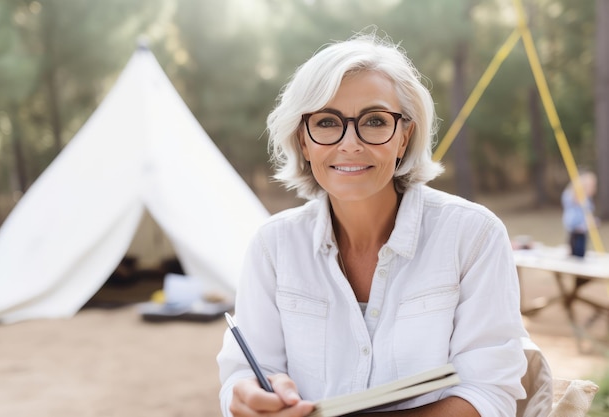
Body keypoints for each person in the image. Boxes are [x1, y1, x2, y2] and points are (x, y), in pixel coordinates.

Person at [217, 31, 530, 417]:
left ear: (404, 137)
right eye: (328, 122)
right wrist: (248, 397)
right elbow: (245, 376)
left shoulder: (473, 235)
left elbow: (488, 391)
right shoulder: (273, 246)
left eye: (376, 120)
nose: (350, 144)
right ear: (303, 140)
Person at [561, 171, 598, 257]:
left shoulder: (587, 199)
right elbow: (567, 200)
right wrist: (576, 198)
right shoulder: (571, 196)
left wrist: (592, 221)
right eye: (590, 186)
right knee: (574, 251)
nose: (593, 189)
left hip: (583, 231)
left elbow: (589, 211)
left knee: (581, 252)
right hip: (574, 230)